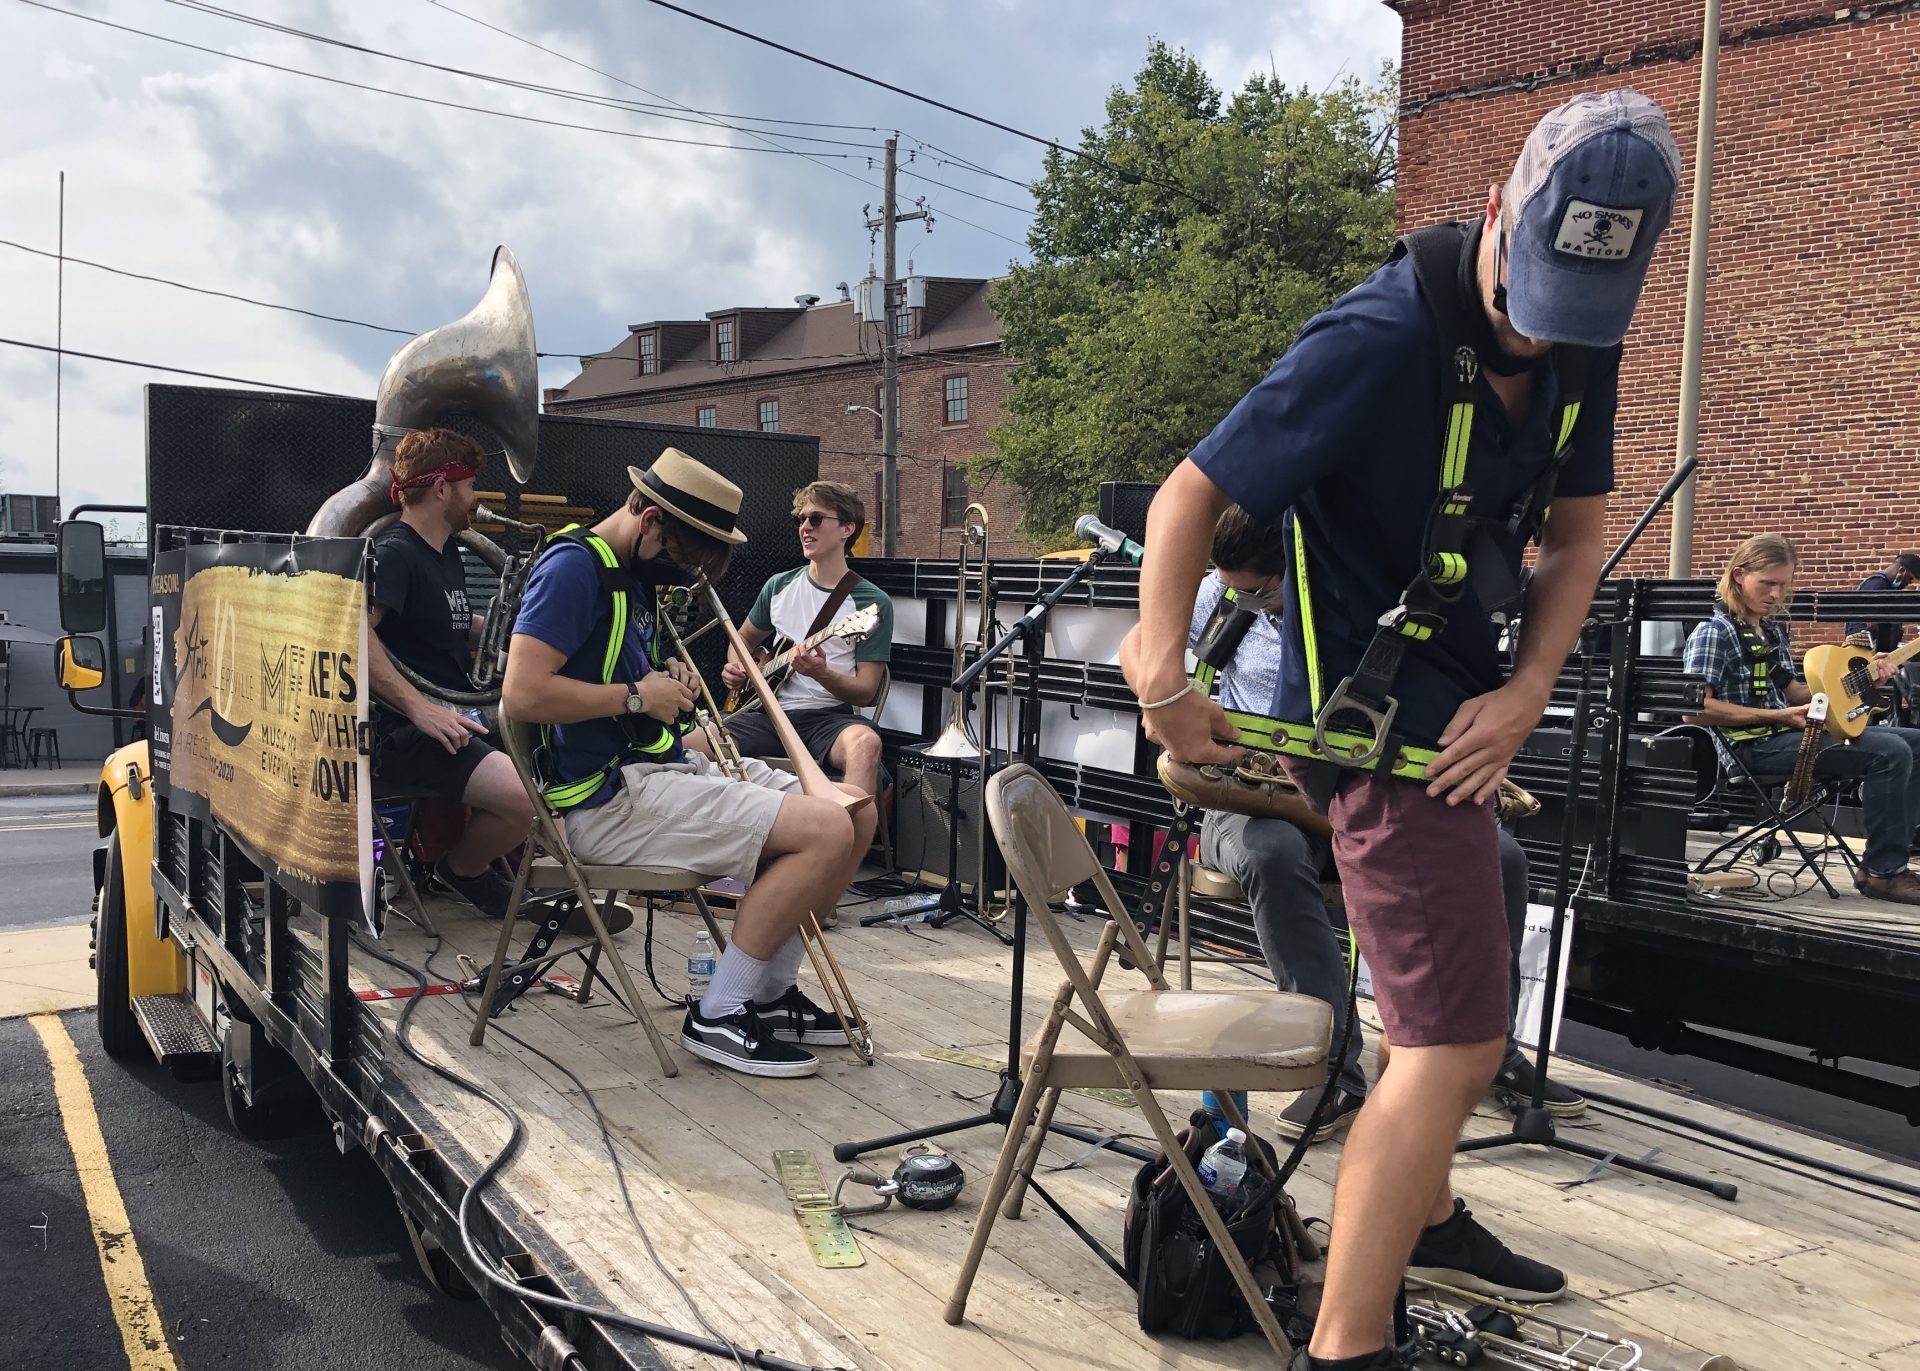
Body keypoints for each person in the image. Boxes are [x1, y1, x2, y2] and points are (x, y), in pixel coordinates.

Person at [1124, 90, 1682, 1367]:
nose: (1549, 338)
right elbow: (1187, 496)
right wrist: (1162, 671)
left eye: (1574, 319)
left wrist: (1532, 686)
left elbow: (1578, 542)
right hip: (1379, 729)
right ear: (1495, 215)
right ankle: (1347, 1345)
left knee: (1476, 934)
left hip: (1465, 716)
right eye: (1529, 304)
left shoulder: (1583, 340)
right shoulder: (1378, 334)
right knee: (1455, 1045)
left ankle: (1421, 1214)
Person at [1122, 507, 1583, 1147]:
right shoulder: (1217, 594)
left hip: (1358, 790)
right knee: (1272, 852)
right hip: (1253, 797)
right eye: (1232, 588)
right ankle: (1332, 1062)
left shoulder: (1352, 596)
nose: (1241, 601)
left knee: (1501, 857)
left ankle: (1490, 1050)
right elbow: (1137, 644)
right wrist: (1161, 695)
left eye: (1257, 591)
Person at [503, 449, 874, 1079]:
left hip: (659, 774)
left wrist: (659, 679)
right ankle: (720, 1013)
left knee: (853, 814)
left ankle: (766, 995)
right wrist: (636, 695)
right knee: (826, 830)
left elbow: (615, 672)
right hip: (609, 803)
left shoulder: (633, 573)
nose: (678, 576)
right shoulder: (572, 570)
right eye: (678, 558)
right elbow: (523, 693)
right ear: (648, 520)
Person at [1683, 534, 1920, 904]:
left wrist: (1869, 674)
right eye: (1768, 583)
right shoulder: (1713, 633)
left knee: (1915, 743)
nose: (1776, 595)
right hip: (1752, 748)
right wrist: (1778, 715)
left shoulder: (1769, 631)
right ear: (1739, 575)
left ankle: (1886, 860)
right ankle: (1883, 874)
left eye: (1783, 585)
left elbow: (1798, 694)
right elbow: (1696, 711)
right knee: (1889, 751)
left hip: (1792, 735)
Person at [367, 427, 534, 920]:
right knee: (528, 801)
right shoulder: (397, 552)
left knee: (557, 776)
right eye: (470, 485)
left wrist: (518, 632)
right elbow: (352, 632)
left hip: (457, 717)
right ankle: (463, 871)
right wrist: (418, 707)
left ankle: (489, 873)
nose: (475, 498)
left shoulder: (446, 554)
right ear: (442, 488)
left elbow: (450, 626)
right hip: (408, 733)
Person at [716, 481, 893, 797]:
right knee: (692, 742)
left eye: (816, 519)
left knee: (866, 744)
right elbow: (742, 638)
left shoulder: (871, 603)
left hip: (829, 721)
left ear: (847, 529)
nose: (805, 528)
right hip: (768, 715)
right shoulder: (778, 586)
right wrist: (737, 668)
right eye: (800, 520)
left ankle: (846, 840)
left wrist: (821, 673)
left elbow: (867, 692)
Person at [1843, 553, 1920, 654]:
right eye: (1909, 578)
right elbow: (1866, 623)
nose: (1908, 583)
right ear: (1901, 570)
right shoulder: (1877, 586)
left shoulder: (1884, 586)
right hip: (1866, 649)